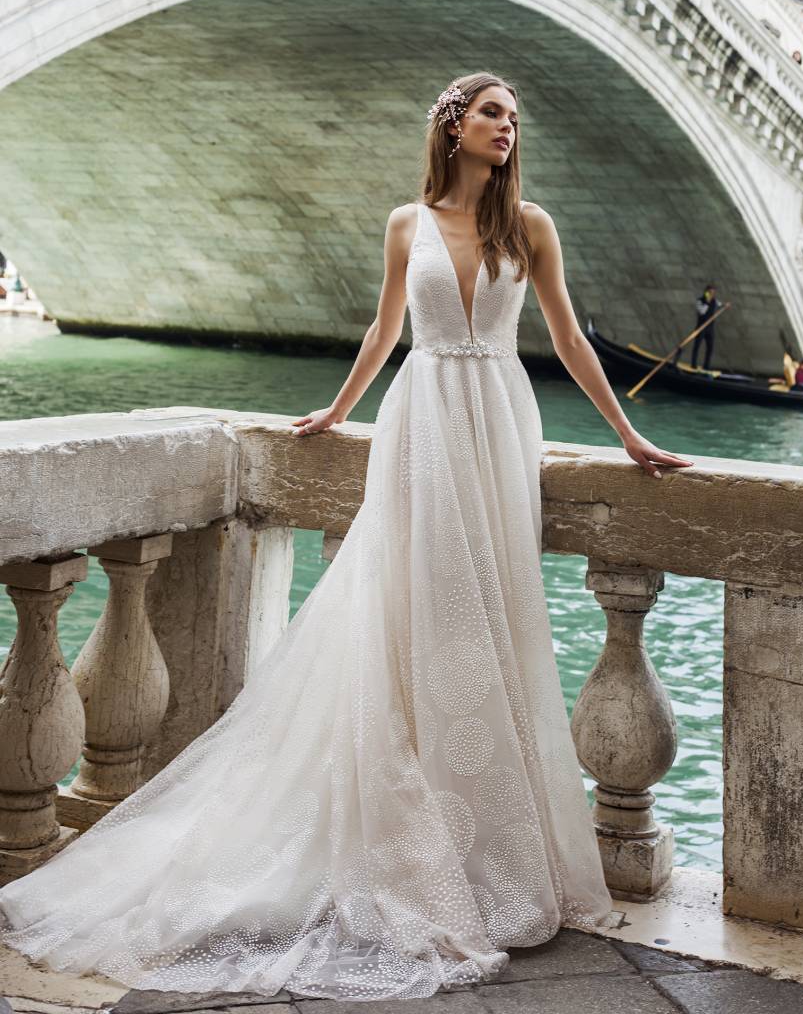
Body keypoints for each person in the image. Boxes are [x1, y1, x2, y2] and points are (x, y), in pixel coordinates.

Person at [0, 72, 693, 1000]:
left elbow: (568, 340)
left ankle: (488, 844)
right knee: (414, 618)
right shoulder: (407, 223)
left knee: (490, 623)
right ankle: (408, 844)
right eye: (494, 113)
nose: (508, 128)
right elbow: (385, 328)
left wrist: (631, 436)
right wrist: (335, 409)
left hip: (496, 423)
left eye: (515, 118)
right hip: (422, 425)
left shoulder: (530, 225)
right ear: (453, 124)